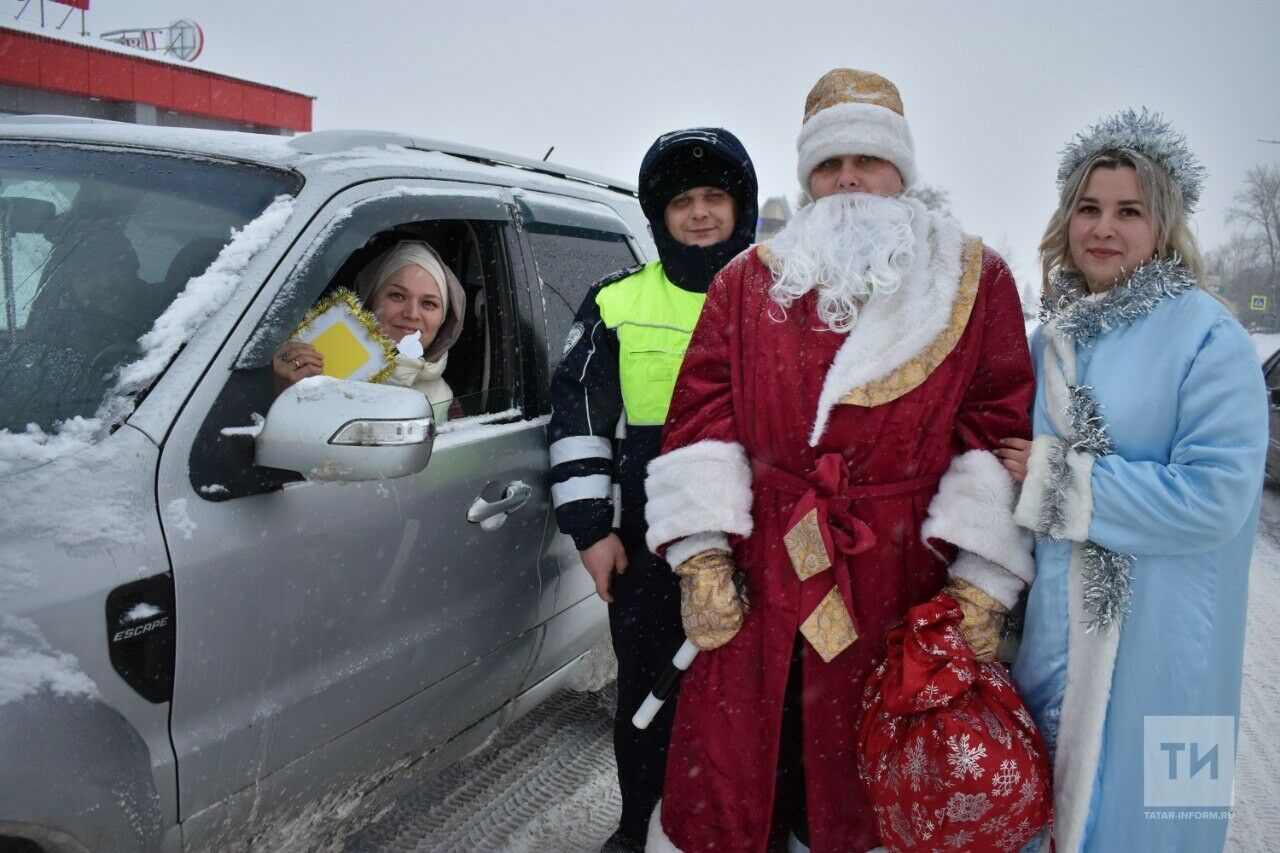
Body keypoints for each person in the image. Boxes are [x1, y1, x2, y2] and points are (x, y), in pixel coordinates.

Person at [642, 69, 1036, 852]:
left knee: (873, 779)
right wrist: (702, 556)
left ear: (904, 174)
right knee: (752, 766)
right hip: (767, 564)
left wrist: (980, 584)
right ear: (807, 179)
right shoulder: (747, 281)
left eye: (868, 159)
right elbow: (701, 418)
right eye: (830, 164)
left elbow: (995, 425)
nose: (849, 178)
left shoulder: (973, 278)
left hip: (900, 571)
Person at [998, 109, 1267, 852]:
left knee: (1167, 827)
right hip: (1053, 644)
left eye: (1128, 211)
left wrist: (1059, 481)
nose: (1103, 228)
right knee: (1045, 816)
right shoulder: (1047, 340)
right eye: (1088, 208)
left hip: (1174, 659)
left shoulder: (1212, 336)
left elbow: (1216, 498)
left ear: (1164, 222)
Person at [547, 128, 757, 851]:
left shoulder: (781, 293)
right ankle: (642, 825)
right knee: (648, 699)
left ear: (741, 206)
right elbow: (577, 418)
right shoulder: (616, 302)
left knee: (759, 702)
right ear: (658, 214)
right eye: (681, 202)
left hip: (757, 536)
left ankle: (745, 829)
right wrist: (589, 530)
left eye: (714, 198)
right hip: (647, 543)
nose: (699, 213)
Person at [273, 240, 466, 422]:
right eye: (397, 295)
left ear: (443, 319)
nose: (412, 313)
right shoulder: (312, 365)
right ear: (370, 300)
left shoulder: (446, 403)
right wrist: (282, 392)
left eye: (429, 304)